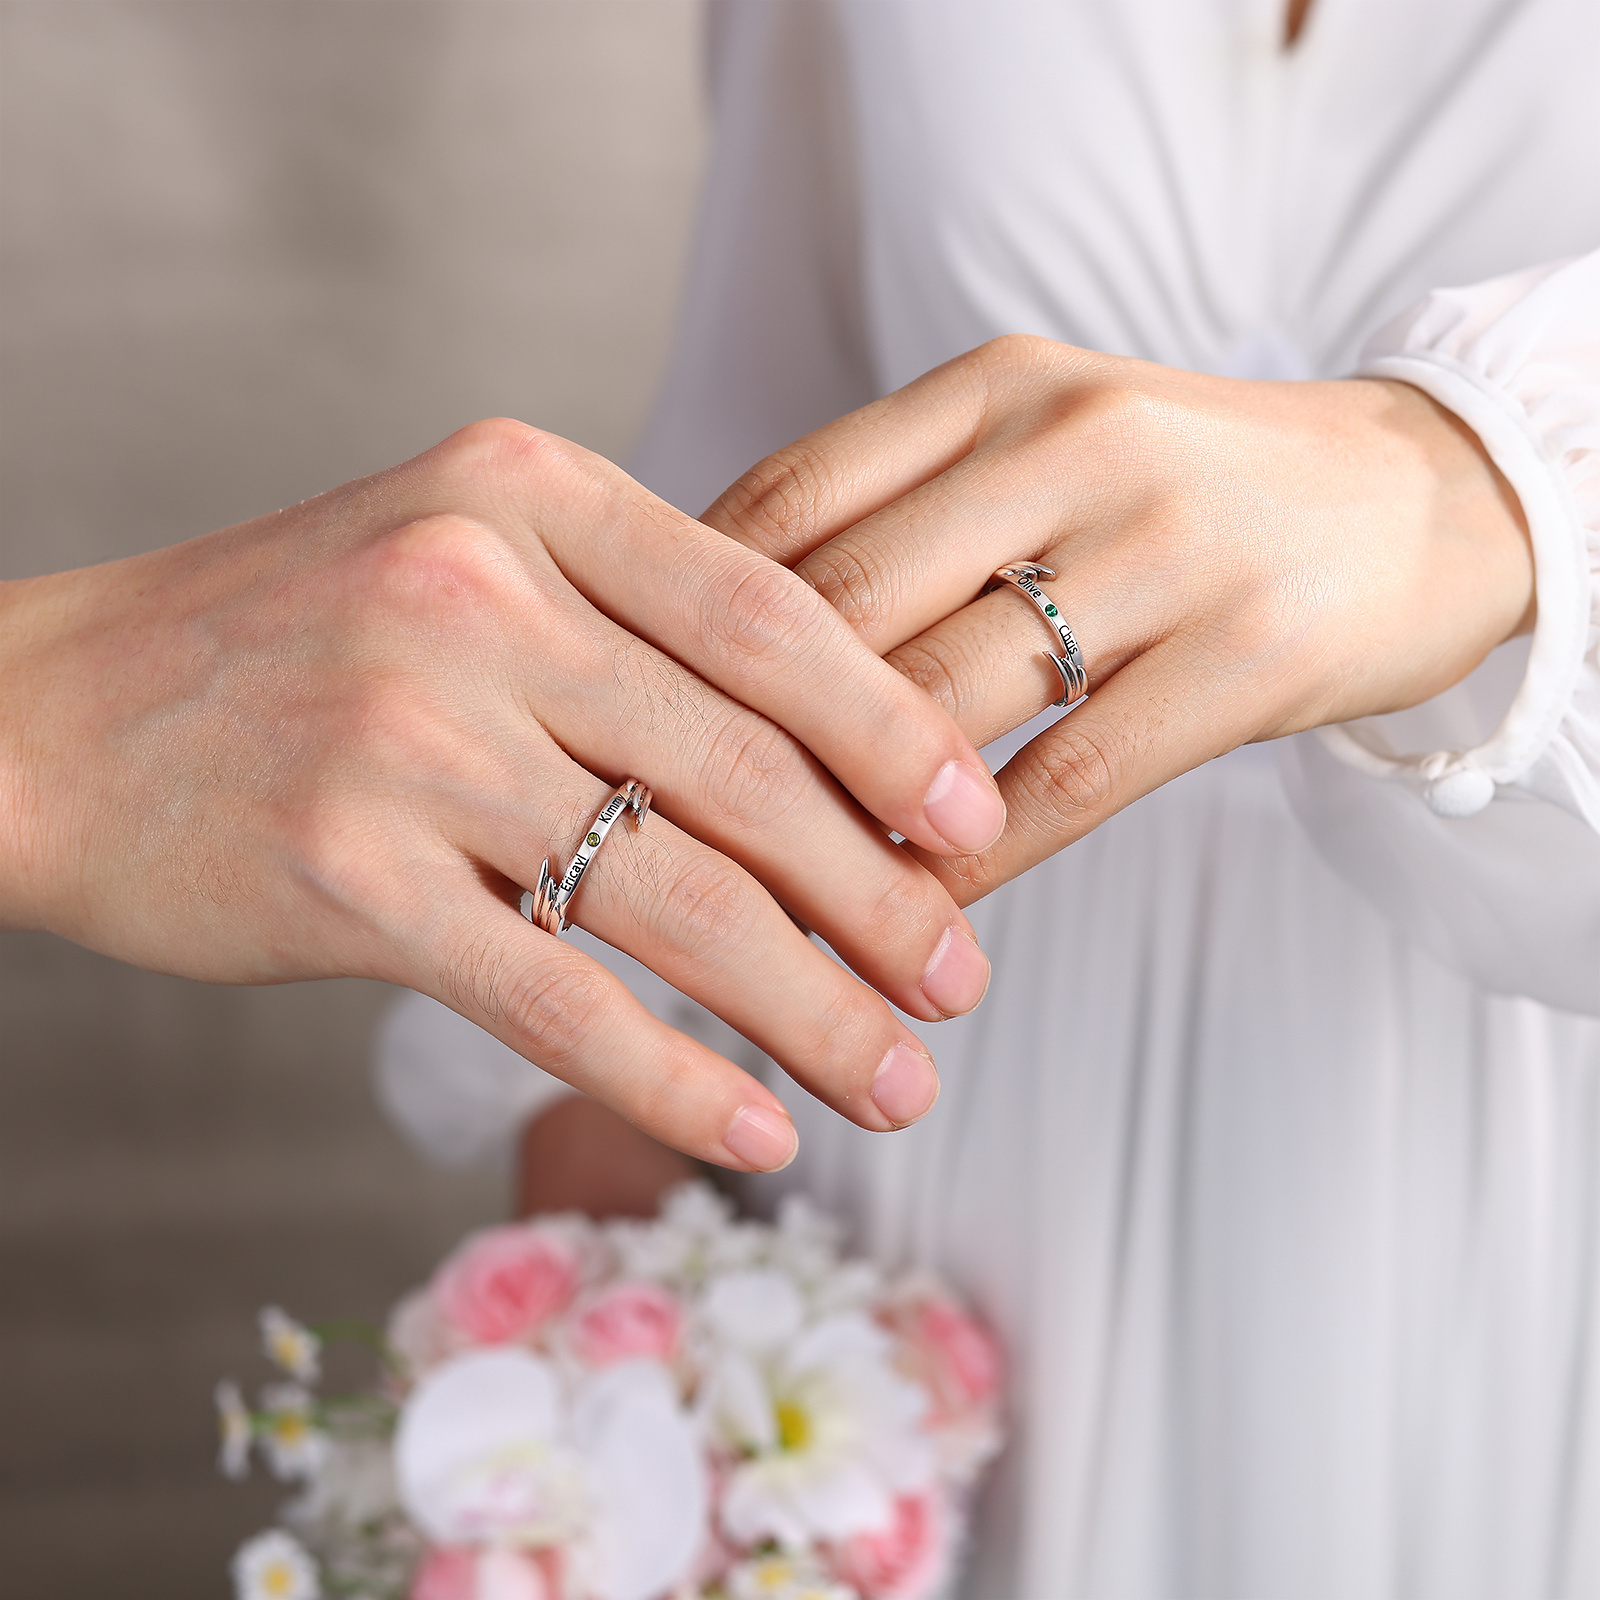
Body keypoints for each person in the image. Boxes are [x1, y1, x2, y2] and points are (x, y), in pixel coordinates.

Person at [373, 3, 1600, 1596]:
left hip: (1528, 1053)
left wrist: (1472, 486)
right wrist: (611, 1111)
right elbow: (766, 433)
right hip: (955, 1065)